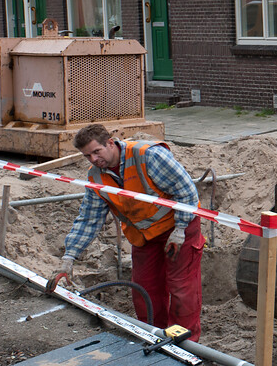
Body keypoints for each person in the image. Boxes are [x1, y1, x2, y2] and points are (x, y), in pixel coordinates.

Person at [52, 123, 205, 341]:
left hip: (178, 226)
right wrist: (69, 257)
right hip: (143, 235)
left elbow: (186, 191)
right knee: (144, 290)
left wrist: (180, 229)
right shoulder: (96, 177)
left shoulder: (148, 156)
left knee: (181, 288)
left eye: (97, 151)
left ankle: (186, 344)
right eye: (88, 156)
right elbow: (89, 219)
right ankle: (155, 337)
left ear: (110, 143)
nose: (94, 159)